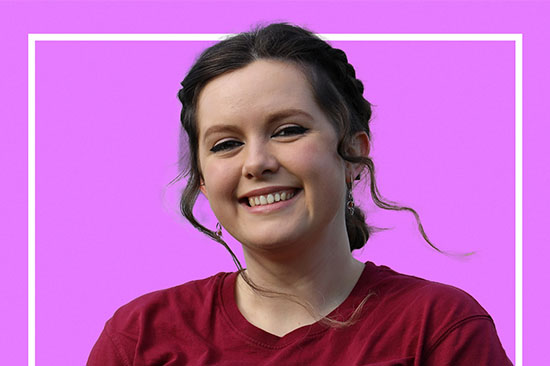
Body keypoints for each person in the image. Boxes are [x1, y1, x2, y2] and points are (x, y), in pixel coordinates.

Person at [87, 23, 513, 365]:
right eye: (225, 144)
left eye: (288, 130)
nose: (256, 162)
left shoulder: (440, 329)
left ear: (351, 152)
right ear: (202, 180)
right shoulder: (138, 338)